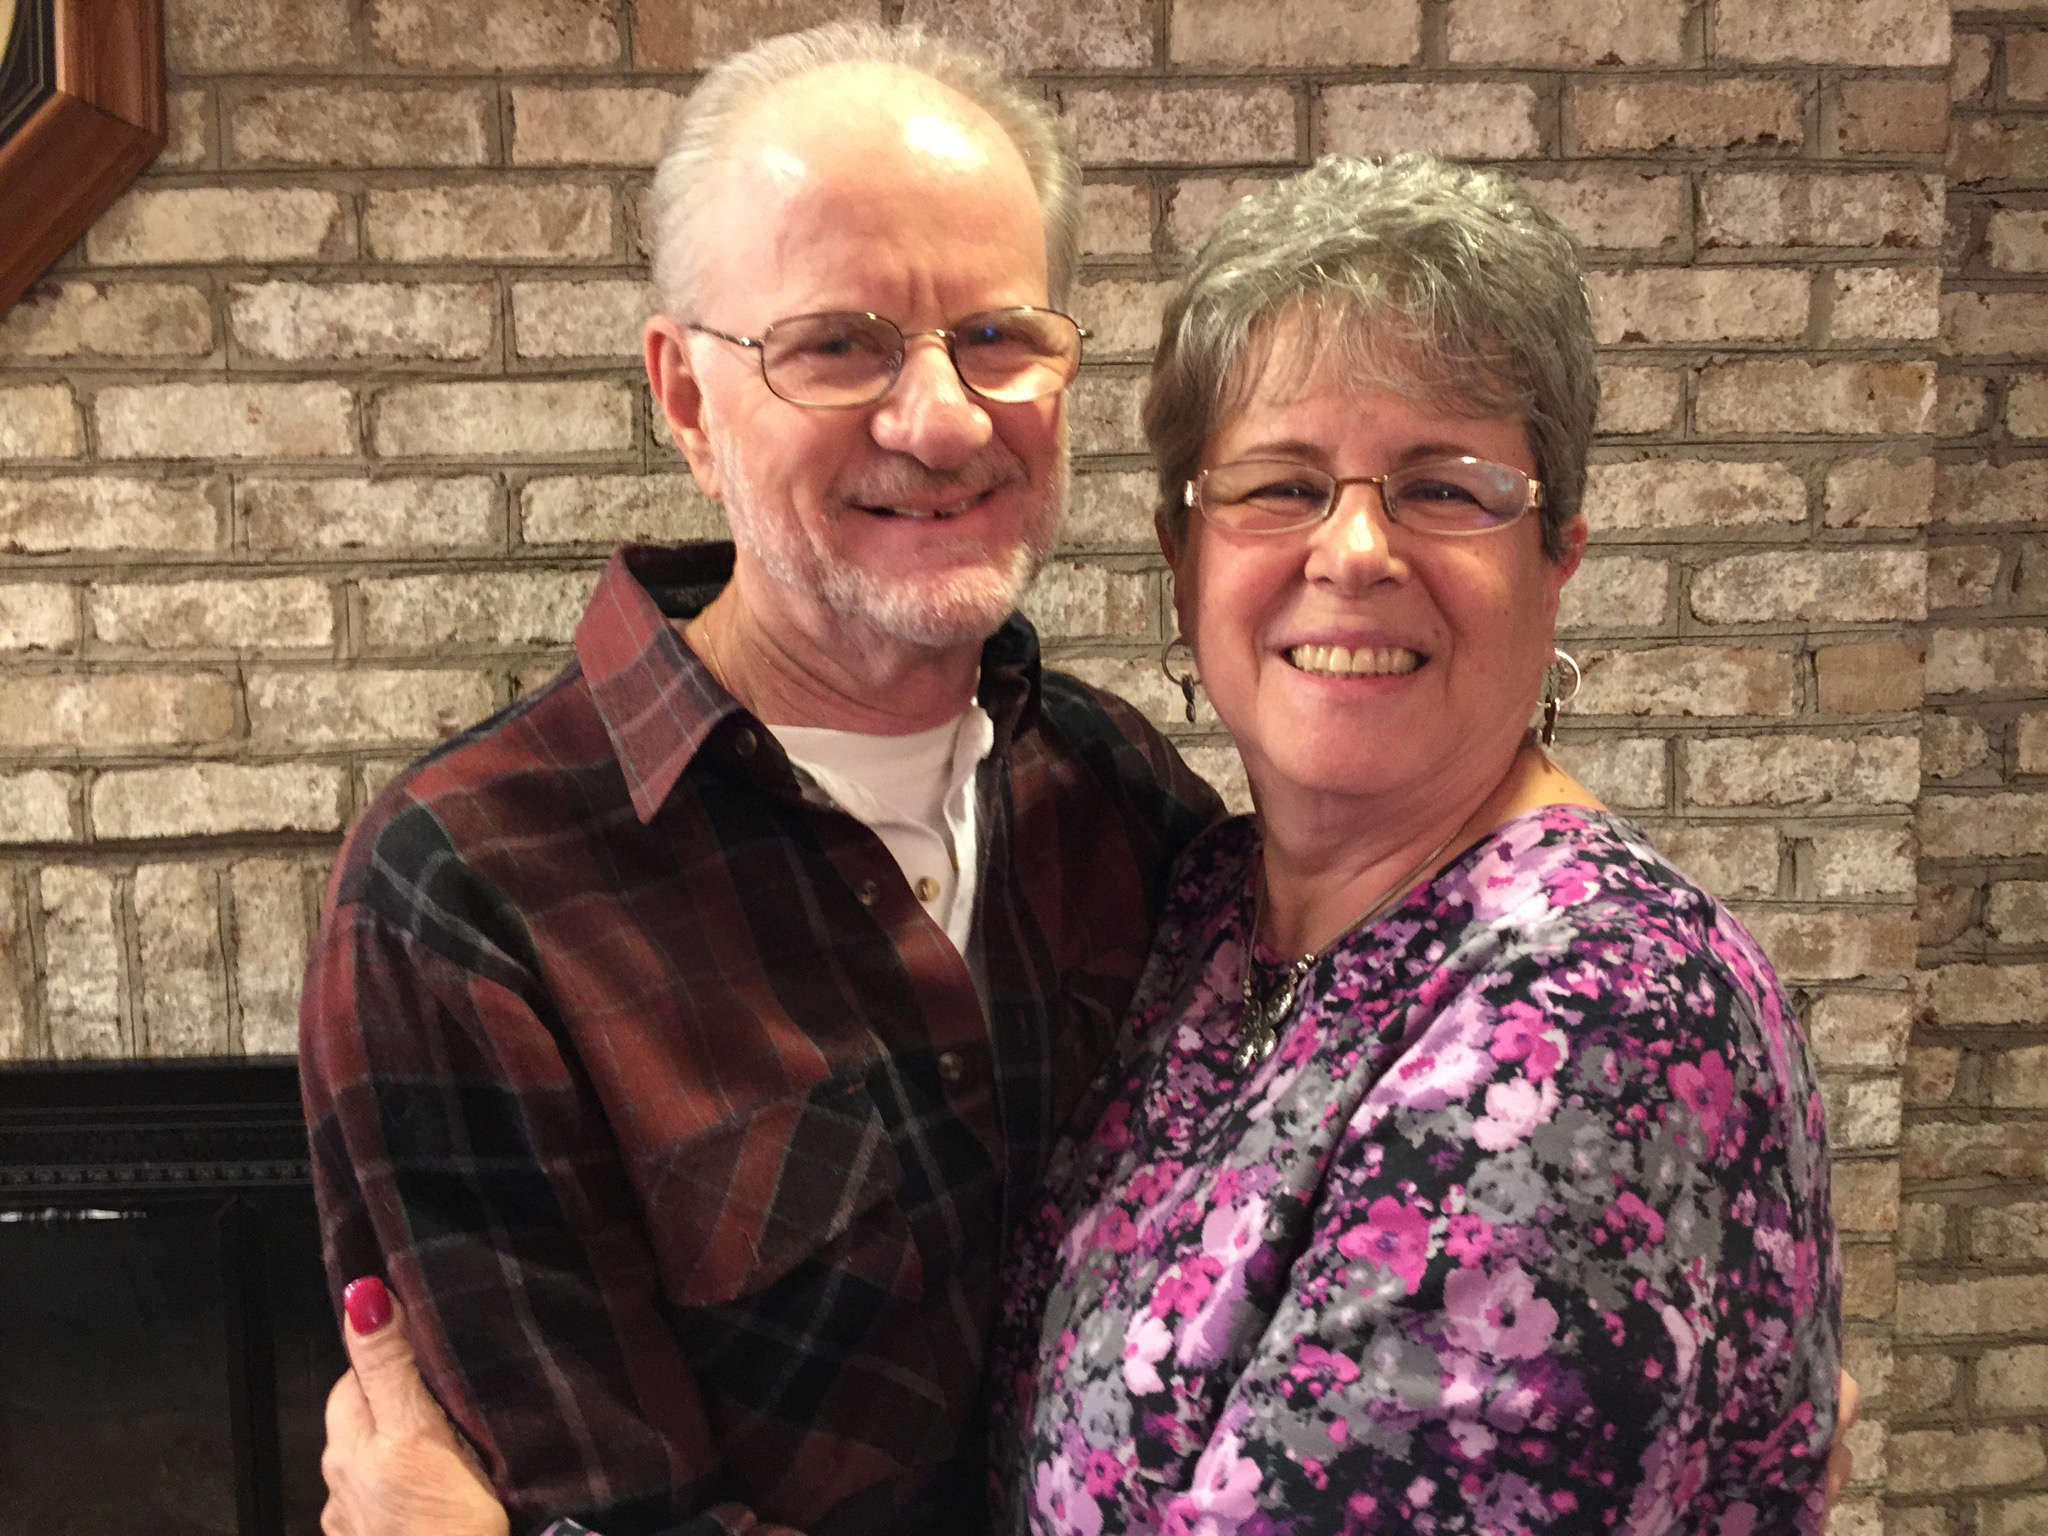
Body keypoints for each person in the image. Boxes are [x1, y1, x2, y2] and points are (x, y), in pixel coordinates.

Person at [298, 21, 1218, 1536]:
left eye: (998, 336)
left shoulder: (1117, 792)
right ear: (684, 398)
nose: (940, 419)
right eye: (837, 343)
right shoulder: (463, 898)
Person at [984, 152, 1843, 1533]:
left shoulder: (1601, 1013)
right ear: (1179, 556)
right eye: (1280, 485)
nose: (1359, 551)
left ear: (1556, 551)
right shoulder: (1209, 905)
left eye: (1446, 488)